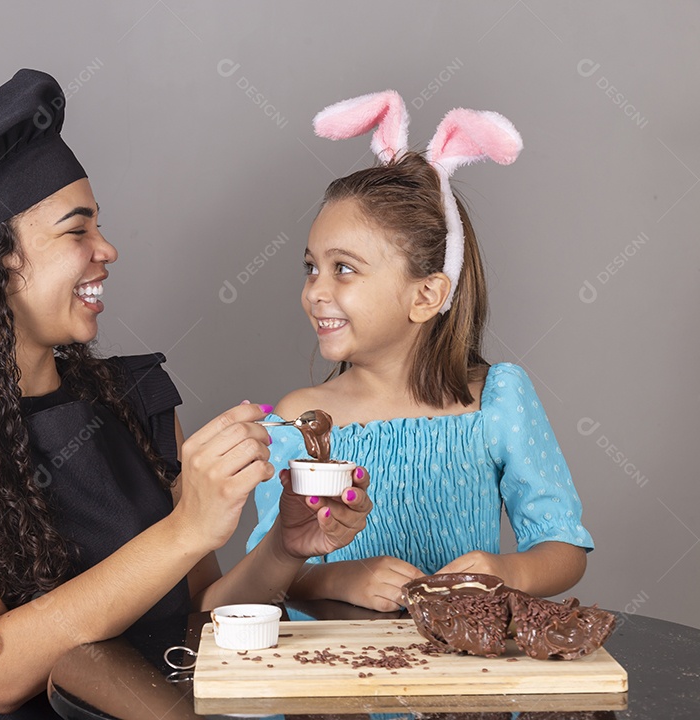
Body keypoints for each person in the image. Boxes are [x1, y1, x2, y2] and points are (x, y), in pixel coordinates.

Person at [0, 69, 372, 719]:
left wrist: (284, 547)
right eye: (78, 230)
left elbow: (201, 620)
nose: (107, 249)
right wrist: (187, 527)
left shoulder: (136, 401)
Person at [248, 90, 592, 614]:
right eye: (310, 266)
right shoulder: (299, 419)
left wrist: (507, 571)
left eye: (343, 268)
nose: (315, 289)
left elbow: (564, 548)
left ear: (426, 295)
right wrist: (340, 578)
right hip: (332, 686)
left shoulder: (496, 400)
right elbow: (265, 573)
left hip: (460, 686)